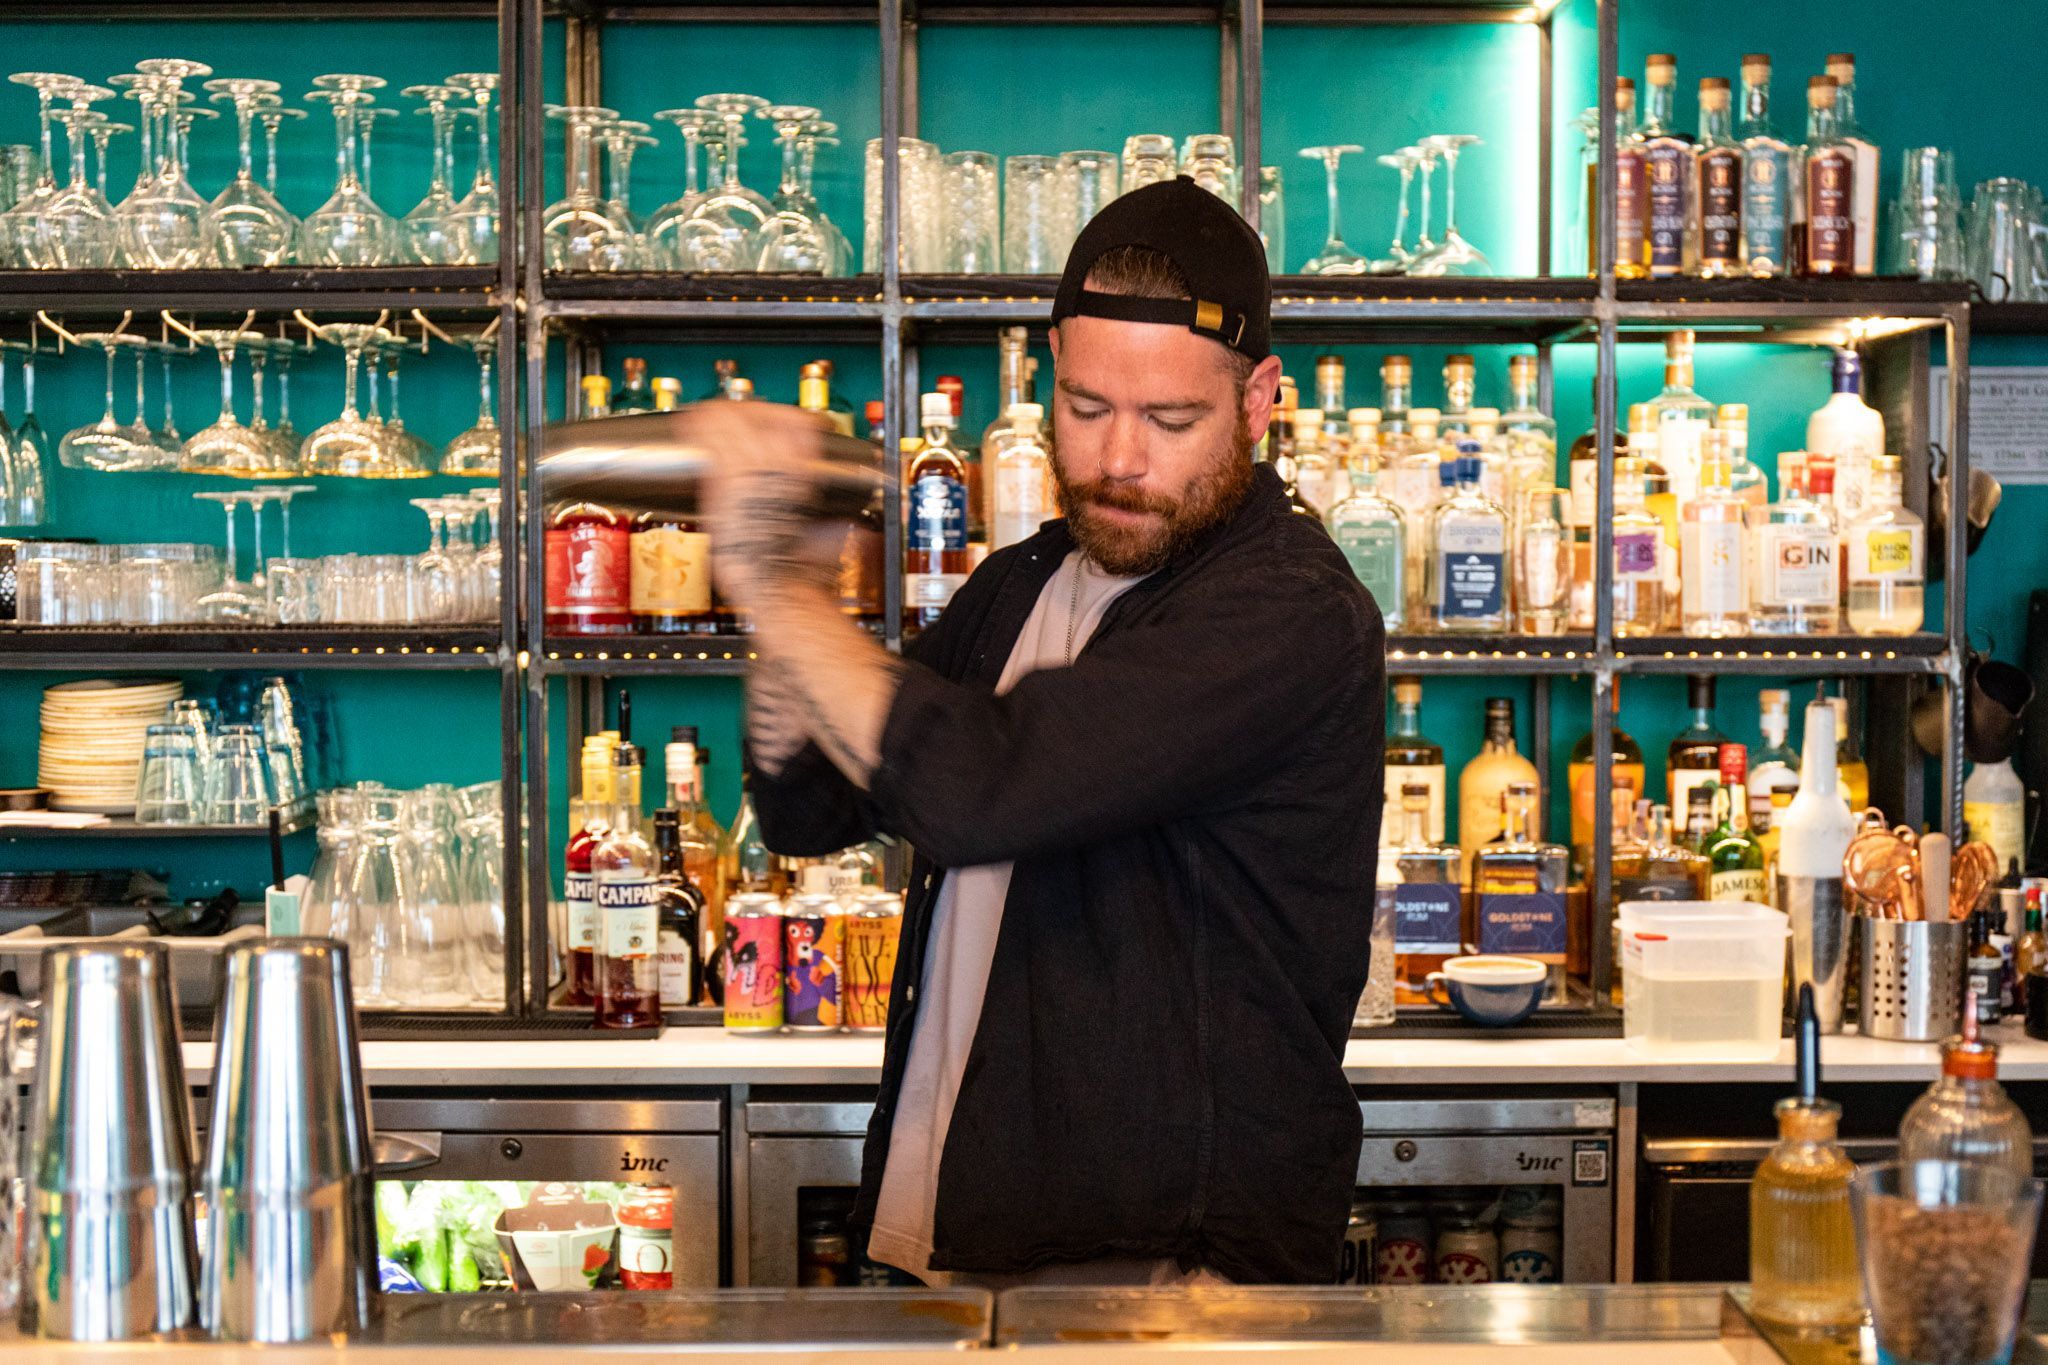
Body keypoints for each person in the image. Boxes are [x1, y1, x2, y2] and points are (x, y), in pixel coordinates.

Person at [692, 177, 1385, 1287]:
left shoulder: (1286, 610)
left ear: (1259, 401)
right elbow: (813, 803)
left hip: (1166, 1274)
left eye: (1170, 421)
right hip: (969, 1229)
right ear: (1048, 370)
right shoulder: (1022, 581)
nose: (1118, 458)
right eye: (1085, 406)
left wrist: (776, 593)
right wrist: (803, 571)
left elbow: (983, 790)